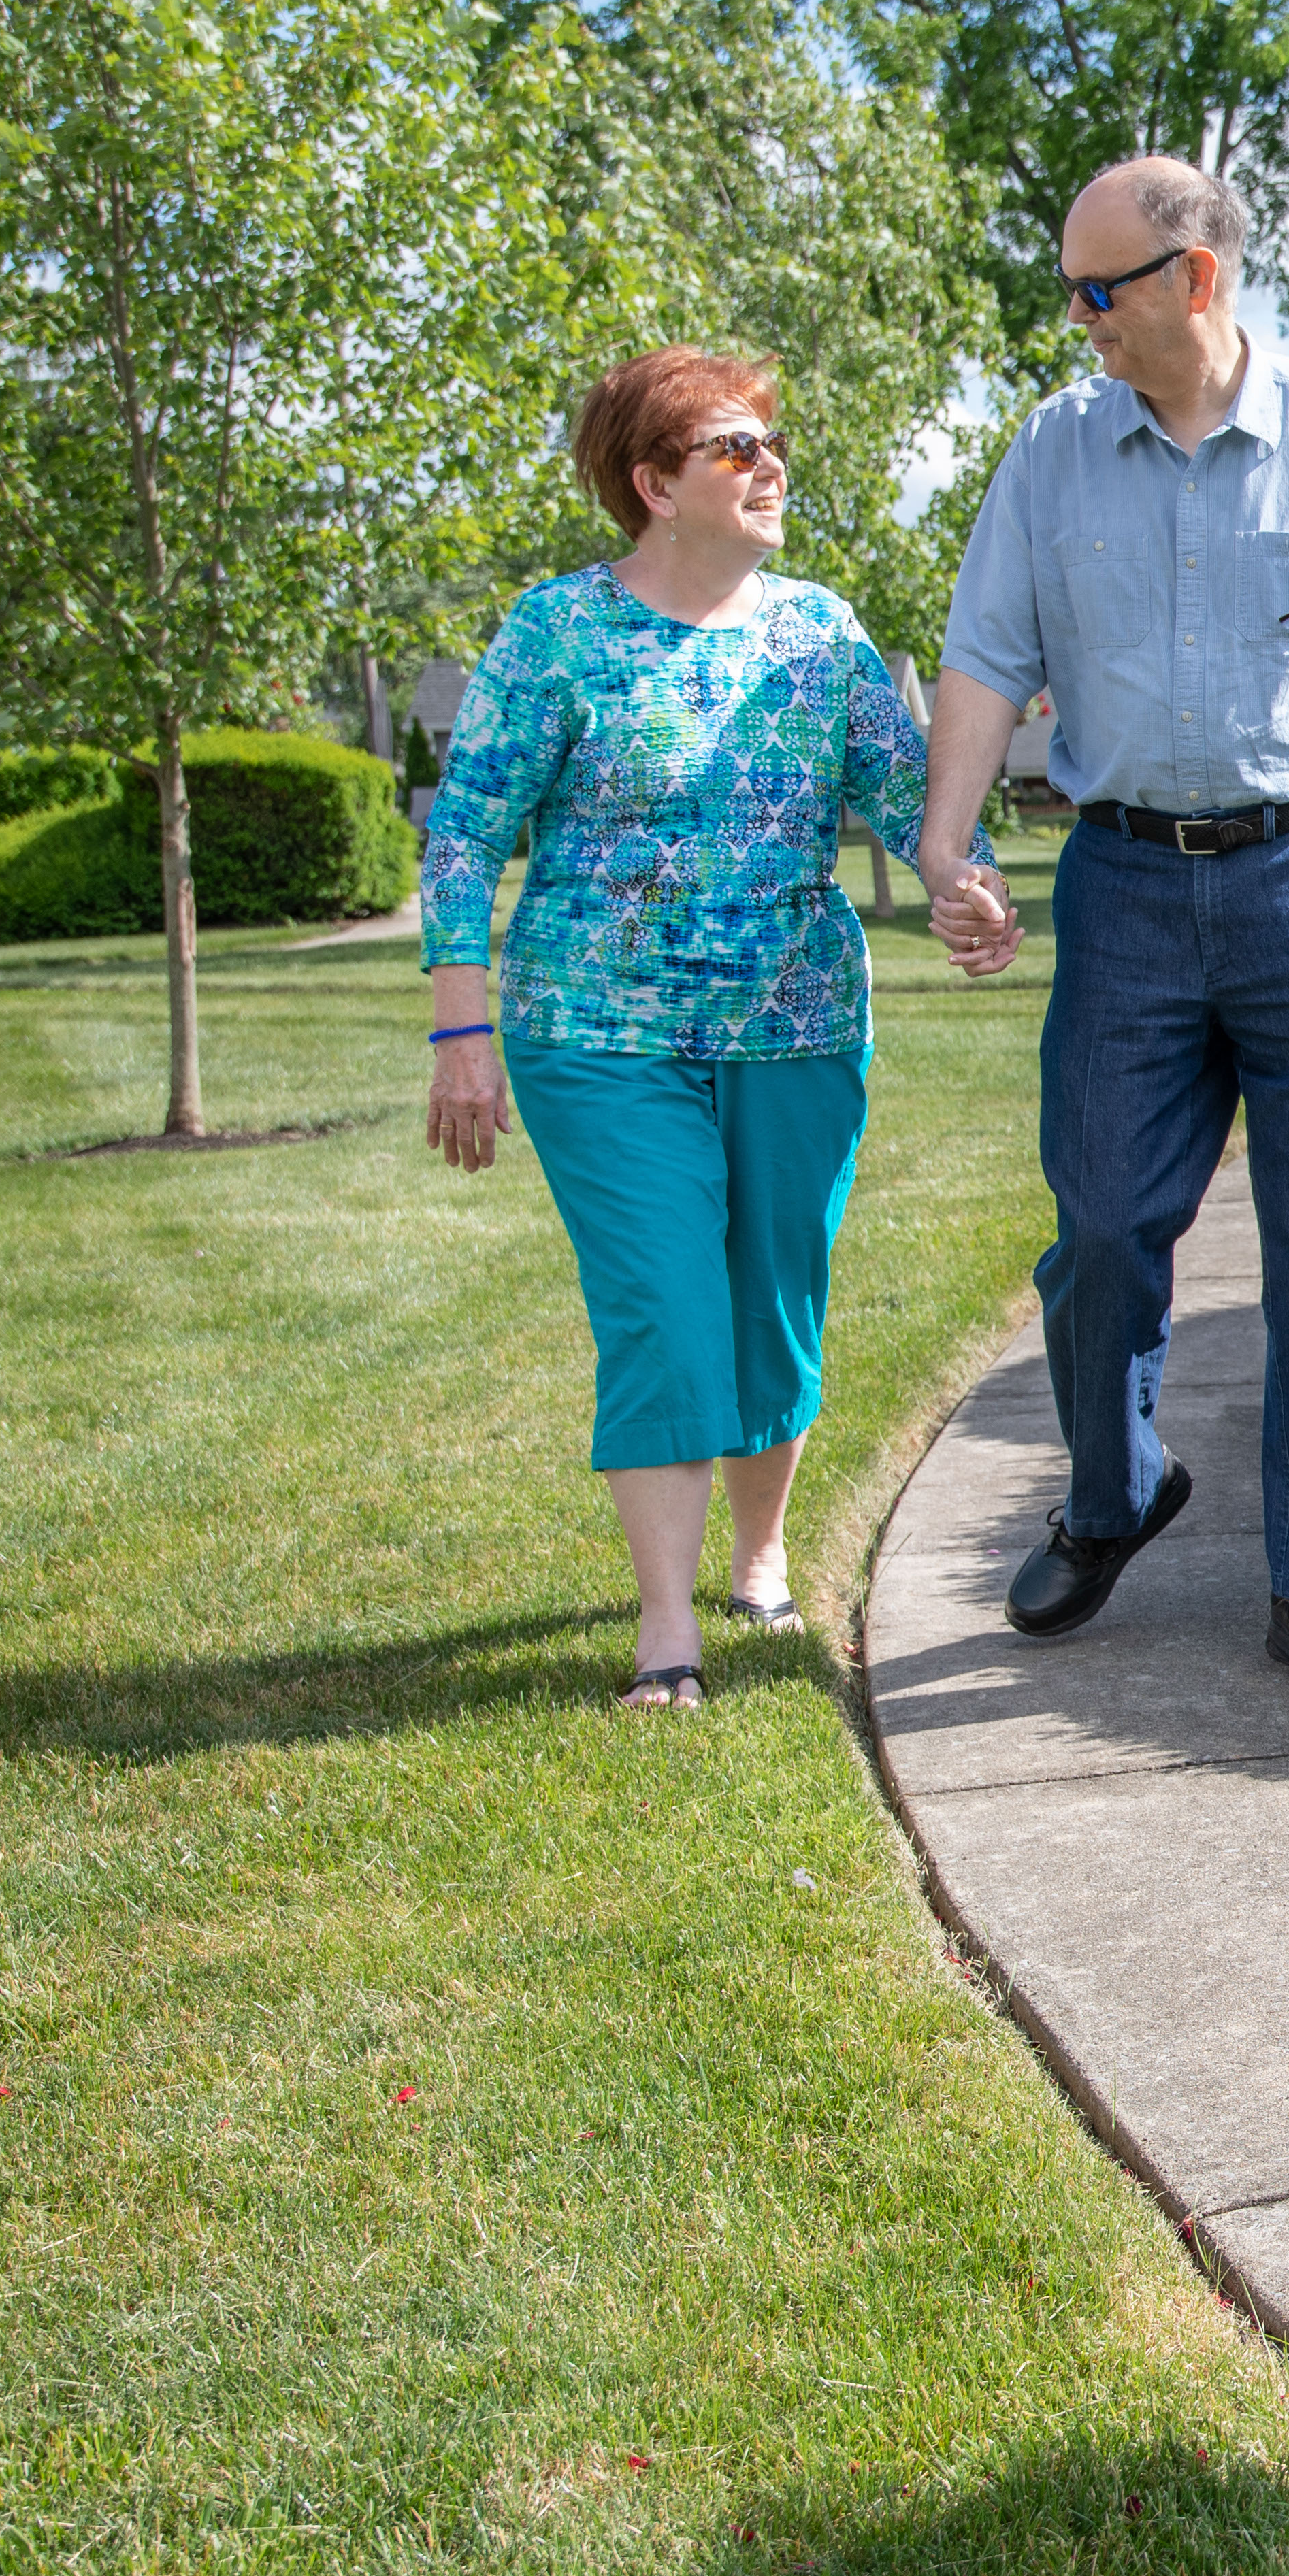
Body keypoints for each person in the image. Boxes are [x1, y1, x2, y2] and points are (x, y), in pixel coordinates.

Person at [919, 156, 1289, 1694]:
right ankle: (1115, 1491)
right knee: (1104, 1223)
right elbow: (983, 655)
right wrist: (943, 839)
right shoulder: (1051, 454)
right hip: (1122, 890)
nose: (1078, 318)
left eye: (1099, 289)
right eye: (1069, 290)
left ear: (1197, 277)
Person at [423, 346, 1015, 1710]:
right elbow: (465, 833)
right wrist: (463, 1031)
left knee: (772, 1302)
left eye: (771, 442)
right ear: (653, 481)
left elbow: (911, 790)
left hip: (798, 1024)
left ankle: (758, 1562)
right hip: (597, 1028)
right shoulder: (557, 631)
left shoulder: (820, 631)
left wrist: (963, 880)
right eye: (734, 447)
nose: (769, 466)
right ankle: (662, 1637)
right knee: (666, 1308)